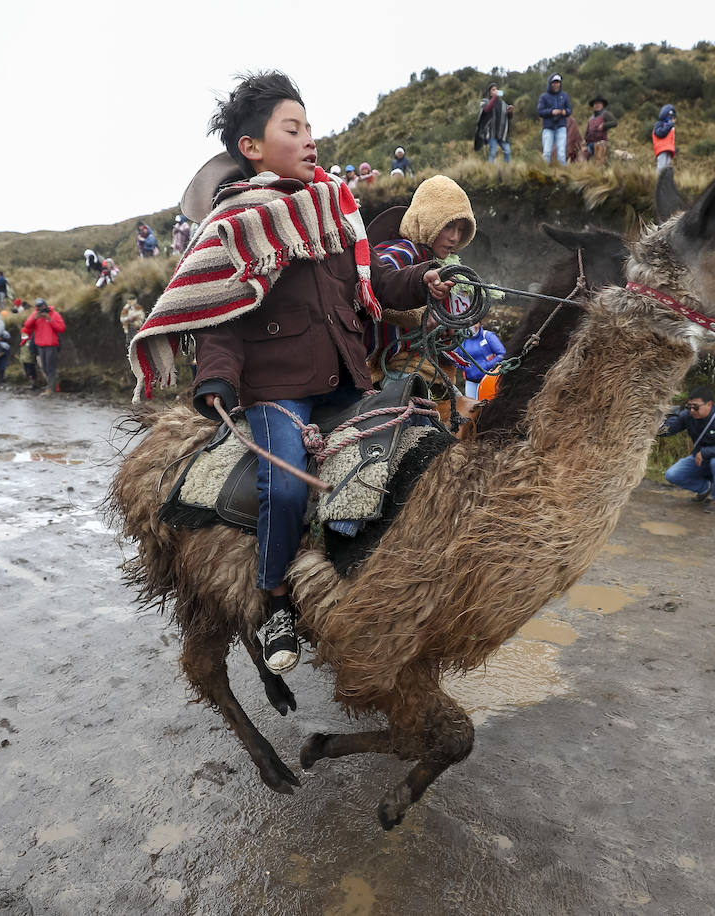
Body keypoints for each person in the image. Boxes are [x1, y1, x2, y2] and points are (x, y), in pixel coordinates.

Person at [128, 71, 451, 674]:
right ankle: (276, 596)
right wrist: (216, 381)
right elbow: (217, 318)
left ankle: (373, 589)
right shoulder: (233, 227)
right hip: (277, 390)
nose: (310, 141)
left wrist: (421, 281)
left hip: (350, 377)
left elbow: (372, 282)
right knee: (285, 485)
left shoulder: (334, 209)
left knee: (415, 453)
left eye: (310, 128)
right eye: (293, 129)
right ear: (252, 148)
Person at [367, 175, 479, 415]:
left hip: (432, 367)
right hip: (398, 368)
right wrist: (422, 316)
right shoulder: (399, 251)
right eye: (448, 226)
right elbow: (376, 290)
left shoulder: (443, 264)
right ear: (427, 221)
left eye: (461, 230)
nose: (455, 237)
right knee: (414, 428)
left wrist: (447, 327)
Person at [658, 388, 715, 511]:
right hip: (701, 459)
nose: (692, 410)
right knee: (672, 475)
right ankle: (704, 488)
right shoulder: (688, 415)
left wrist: (706, 452)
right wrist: (656, 426)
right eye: (689, 406)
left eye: (696, 407)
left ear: (709, 404)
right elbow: (671, 428)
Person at [22, 298, 65, 395]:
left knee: (50, 367)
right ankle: (52, 385)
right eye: (38, 307)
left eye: (41, 306)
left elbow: (61, 328)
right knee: (45, 367)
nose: (40, 309)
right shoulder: (35, 315)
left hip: (51, 344)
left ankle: (51, 389)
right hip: (40, 345)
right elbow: (27, 326)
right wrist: (34, 318)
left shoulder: (54, 314)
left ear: (45, 305)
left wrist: (49, 319)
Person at [457, 323, 505, 398]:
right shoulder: (463, 338)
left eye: (475, 322)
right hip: (470, 381)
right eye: (469, 323)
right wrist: (465, 367)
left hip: (487, 379)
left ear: (480, 323)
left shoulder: (487, 336)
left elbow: (501, 354)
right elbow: (455, 356)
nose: (472, 326)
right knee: (472, 406)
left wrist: (487, 366)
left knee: (486, 405)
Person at [476, 82, 514, 164]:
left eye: (496, 89)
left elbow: (509, 117)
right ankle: (490, 169)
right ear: (489, 91)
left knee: (507, 151)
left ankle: (506, 169)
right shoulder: (485, 101)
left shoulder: (503, 104)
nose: (495, 91)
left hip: (502, 133)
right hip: (491, 132)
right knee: (493, 152)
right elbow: (486, 109)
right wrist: (494, 98)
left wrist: (510, 111)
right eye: (493, 89)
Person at [537, 73, 571, 165]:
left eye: (558, 82)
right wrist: (552, 112)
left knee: (561, 154)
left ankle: (562, 174)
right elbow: (540, 111)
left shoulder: (564, 96)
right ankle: (544, 172)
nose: (556, 85)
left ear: (560, 84)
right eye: (554, 82)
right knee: (547, 152)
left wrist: (564, 112)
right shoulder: (544, 97)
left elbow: (569, 110)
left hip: (561, 127)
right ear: (550, 83)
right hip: (548, 128)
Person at [584, 96, 618, 164]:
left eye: (599, 103)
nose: (597, 105)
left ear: (602, 105)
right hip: (590, 144)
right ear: (593, 106)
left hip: (601, 143)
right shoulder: (591, 118)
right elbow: (588, 131)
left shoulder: (605, 113)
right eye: (595, 104)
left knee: (599, 161)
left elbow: (615, 122)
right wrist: (584, 140)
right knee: (582, 155)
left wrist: (604, 125)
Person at [653, 104, 677, 172]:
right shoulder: (659, 124)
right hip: (662, 149)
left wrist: (673, 148)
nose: (673, 119)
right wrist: (669, 125)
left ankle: (664, 181)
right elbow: (660, 133)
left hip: (668, 150)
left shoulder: (671, 127)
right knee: (661, 167)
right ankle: (657, 180)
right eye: (671, 117)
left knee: (667, 168)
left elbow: (671, 139)